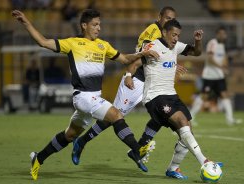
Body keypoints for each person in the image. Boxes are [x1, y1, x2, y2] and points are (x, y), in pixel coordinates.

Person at [12, 9, 159, 180]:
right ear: (84, 25)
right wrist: (25, 22)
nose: (99, 28)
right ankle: (137, 149)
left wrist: (142, 53)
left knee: (70, 135)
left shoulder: (103, 45)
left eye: (100, 25)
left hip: (92, 98)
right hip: (83, 97)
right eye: (95, 25)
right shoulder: (72, 43)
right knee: (116, 115)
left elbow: (125, 59)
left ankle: (38, 158)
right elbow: (43, 42)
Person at [71, 6, 177, 167]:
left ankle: (137, 150)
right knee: (114, 117)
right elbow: (142, 54)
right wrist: (128, 74)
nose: (170, 21)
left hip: (152, 82)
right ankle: (82, 142)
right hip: (137, 80)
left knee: (161, 116)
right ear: (159, 17)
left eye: (172, 19)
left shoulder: (167, 36)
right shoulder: (152, 31)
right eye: (167, 18)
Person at [126, 19, 222, 179]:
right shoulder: (152, 46)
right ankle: (204, 161)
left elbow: (196, 52)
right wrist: (128, 76)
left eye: (178, 35)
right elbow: (134, 62)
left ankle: (172, 168)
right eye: (173, 35)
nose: (176, 38)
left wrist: (198, 42)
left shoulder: (176, 46)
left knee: (187, 131)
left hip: (171, 95)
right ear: (164, 33)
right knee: (182, 121)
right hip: (154, 96)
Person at [190, 26, 242, 125]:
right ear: (217, 34)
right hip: (209, 76)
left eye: (224, 34)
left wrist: (225, 68)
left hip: (219, 76)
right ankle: (191, 117)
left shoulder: (222, 45)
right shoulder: (212, 43)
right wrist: (221, 66)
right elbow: (209, 58)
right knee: (203, 96)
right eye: (221, 34)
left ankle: (230, 119)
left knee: (225, 95)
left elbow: (223, 58)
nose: (223, 36)